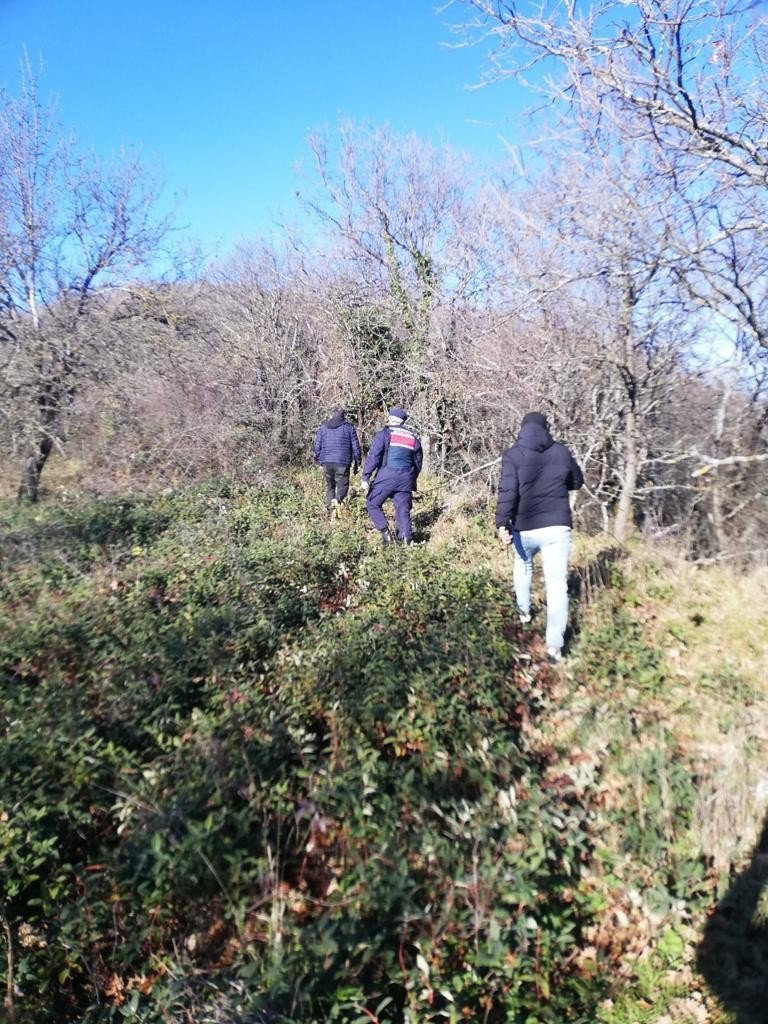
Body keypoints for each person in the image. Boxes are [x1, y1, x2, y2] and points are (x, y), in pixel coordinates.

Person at [495, 411, 583, 663]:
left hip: (524, 526)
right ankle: (554, 647)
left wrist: (501, 523)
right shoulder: (561, 452)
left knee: (523, 565)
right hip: (557, 528)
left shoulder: (513, 455)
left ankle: (524, 613)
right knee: (557, 584)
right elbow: (577, 481)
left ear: (522, 429)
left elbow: (507, 492)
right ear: (546, 429)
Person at [361, 406, 423, 545]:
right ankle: (406, 540)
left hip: (387, 477)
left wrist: (366, 476)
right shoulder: (413, 438)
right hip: (406, 479)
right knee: (403, 509)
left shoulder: (384, 434)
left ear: (390, 419)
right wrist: (411, 479)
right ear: (403, 421)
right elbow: (418, 463)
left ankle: (386, 535)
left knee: (372, 502)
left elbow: (374, 456)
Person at [313, 407, 362, 516]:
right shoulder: (349, 428)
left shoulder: (323, 428)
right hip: (342, 463)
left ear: (331, 415)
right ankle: (337, 502)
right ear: (343, 416)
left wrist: (318, 460)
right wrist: (357, 462)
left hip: (327, 462)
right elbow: (356, 448)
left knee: (330, 486)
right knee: (343, 486)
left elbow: (317, 446)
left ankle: (330, 510)